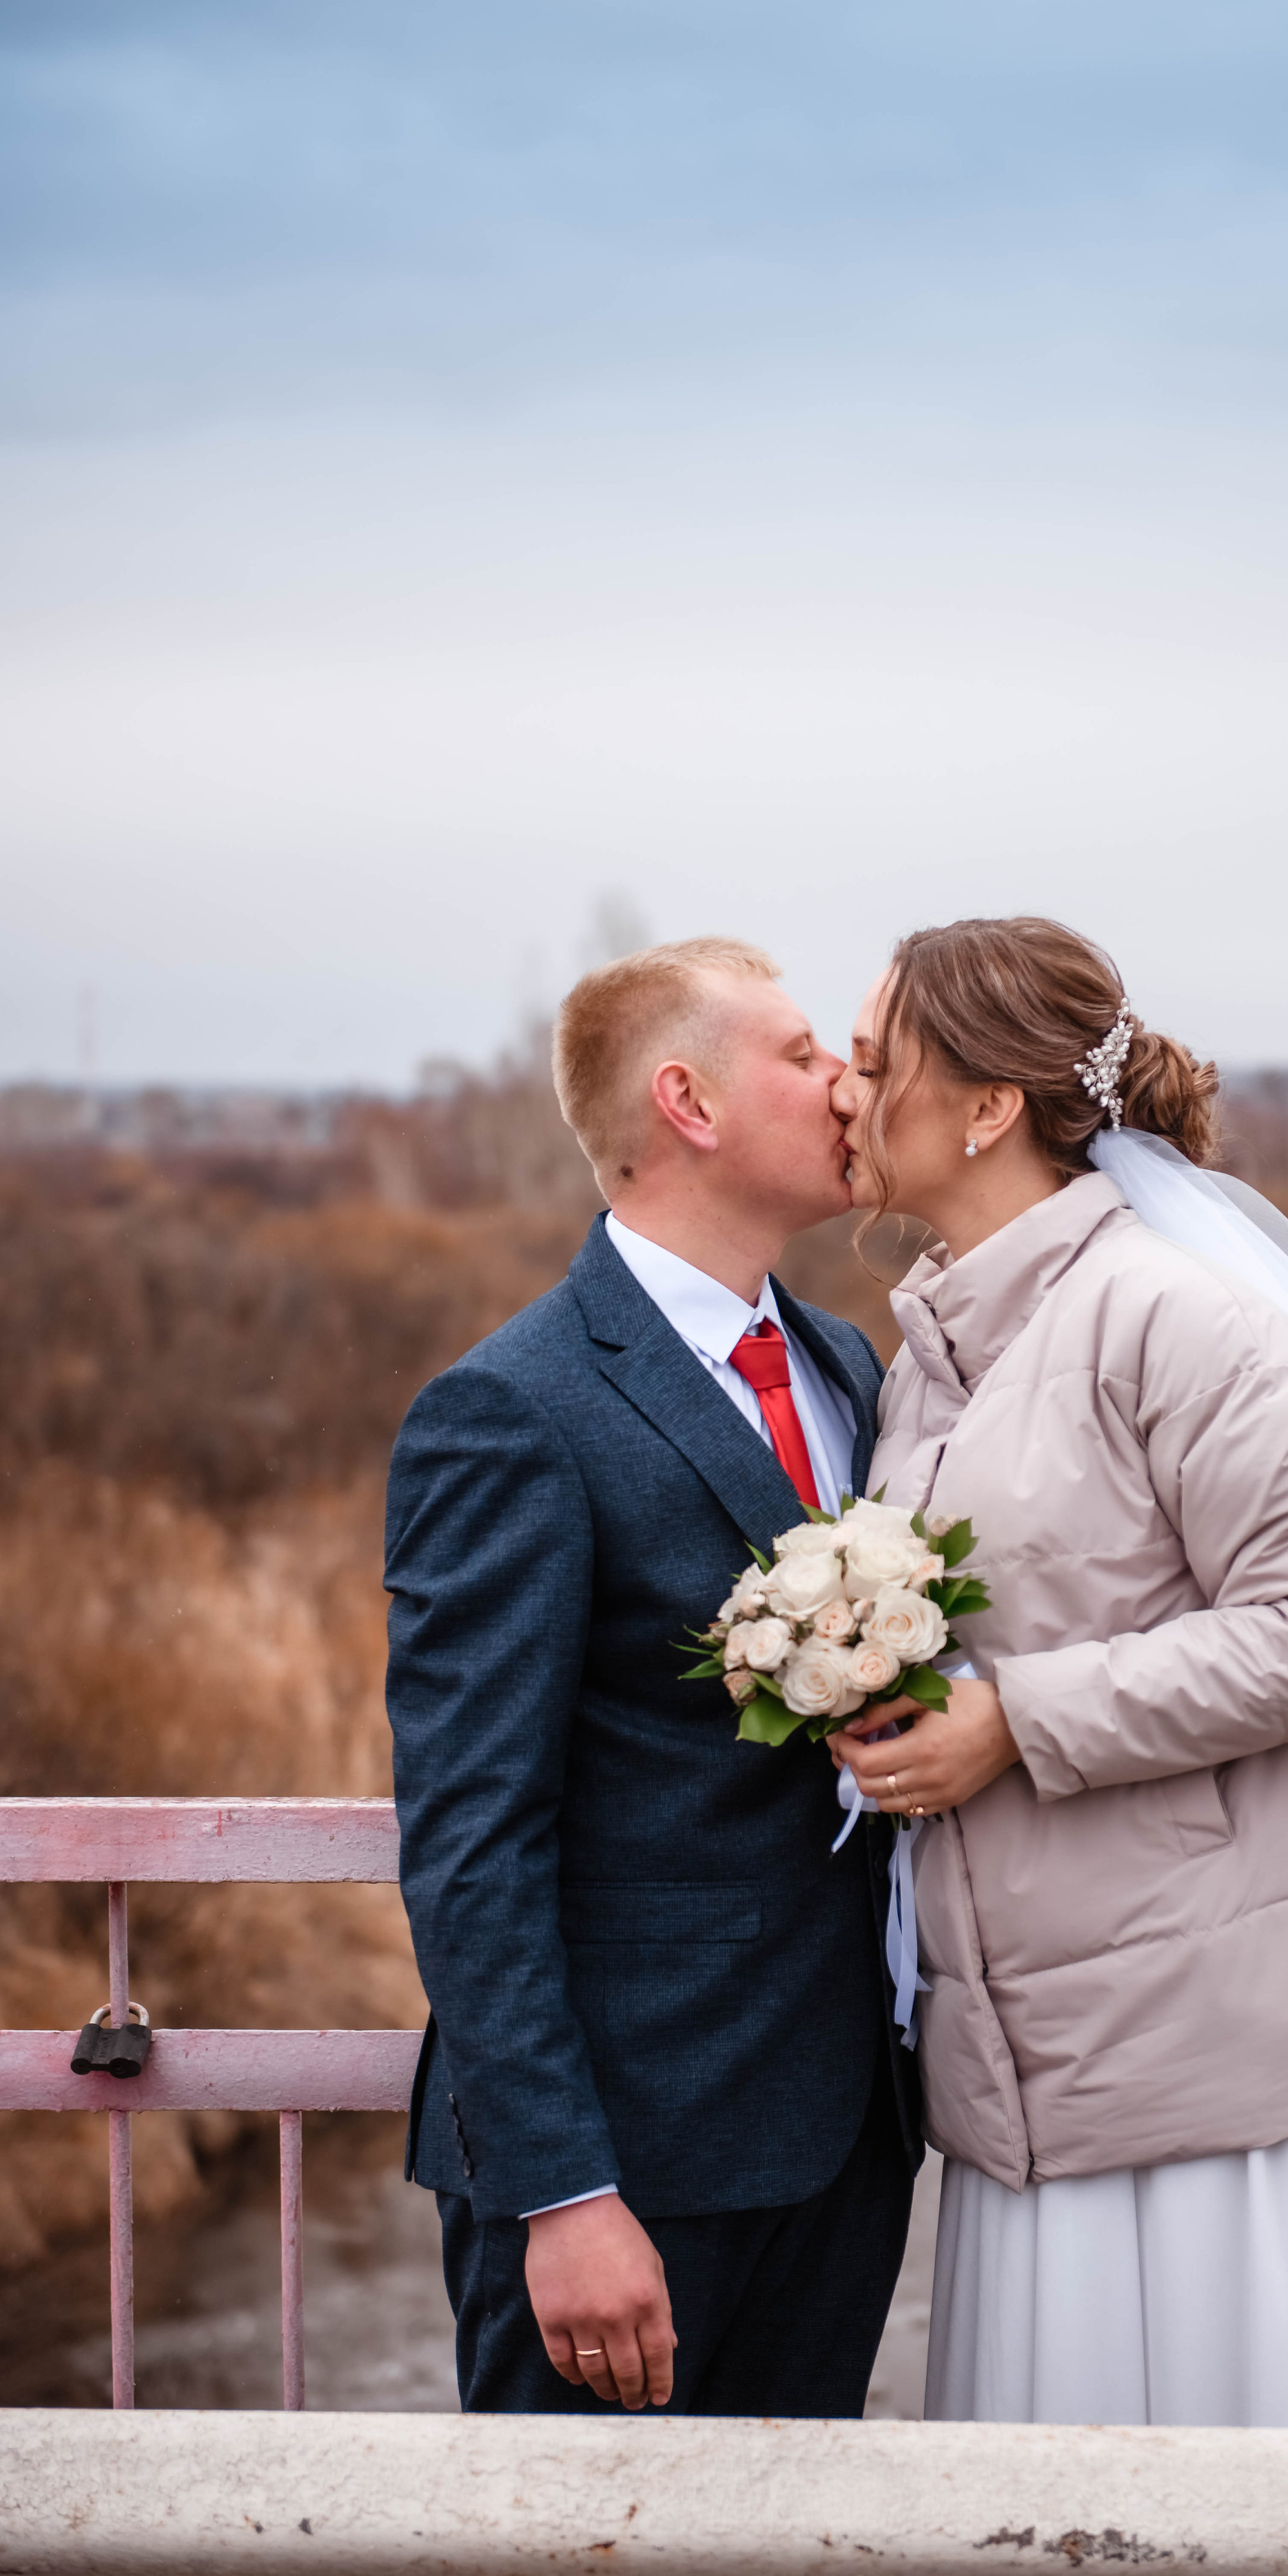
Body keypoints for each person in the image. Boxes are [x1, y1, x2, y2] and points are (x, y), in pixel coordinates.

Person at [828, 913, 1288, 2431]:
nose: (843, 1096)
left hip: (1219, 2066)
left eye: (872, 1062)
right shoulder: (927, 1351)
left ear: (987, 1107)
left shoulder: (1173, 1320)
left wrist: (1011, 1724)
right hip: (1033, 2067)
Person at [386, 936, 919, 2417]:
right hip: (623, 2170)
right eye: (805, 1055)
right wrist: (560, 2193)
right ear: (684, 1100)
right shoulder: (510, 1410)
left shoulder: (847, 1367)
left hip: (842, 2134)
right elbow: (472, 1836)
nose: (843, 1087)